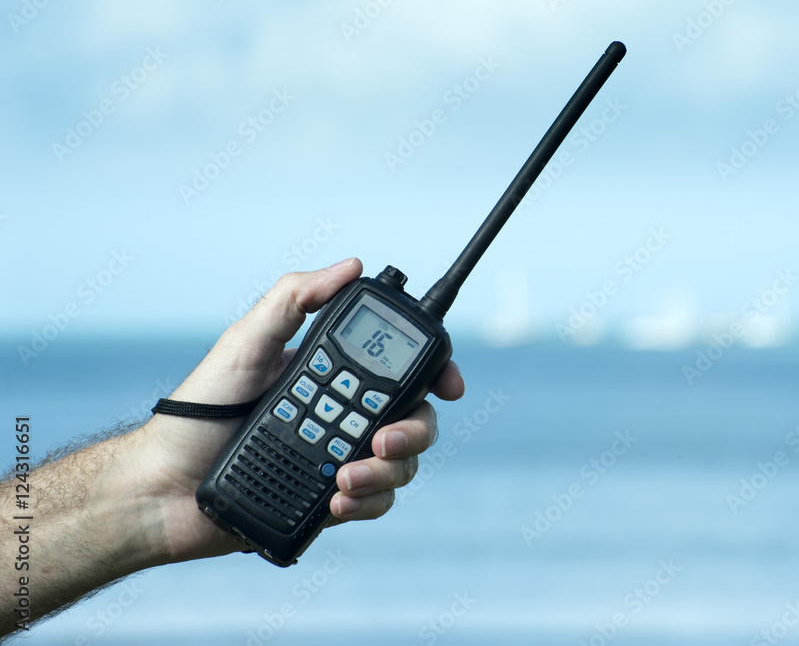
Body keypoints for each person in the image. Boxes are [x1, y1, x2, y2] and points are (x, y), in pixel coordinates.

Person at [0, 258, 464, 636]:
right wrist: (152, 482)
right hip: (254, 466)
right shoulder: (385, 317)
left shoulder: (416, 339)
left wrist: (144, 498)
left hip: (273, 479)